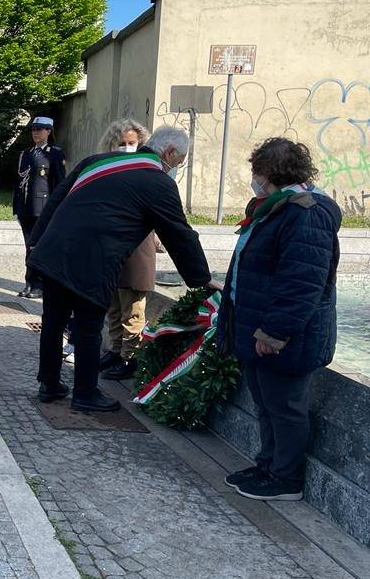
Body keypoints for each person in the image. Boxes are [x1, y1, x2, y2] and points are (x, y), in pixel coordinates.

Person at [28, 125, 214, 413]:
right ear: (169, 152)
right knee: (89, 327)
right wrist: (201, 279)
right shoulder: (158, 182)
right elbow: (179, 234)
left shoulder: (97, 161)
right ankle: (85, 393)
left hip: (54, 251)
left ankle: (49, 385)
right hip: (94, 260)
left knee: (53, 322)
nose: (178, 166)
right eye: (180, 160)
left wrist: (35, 246)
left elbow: (55, 201)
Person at [219, 138, 341, 502]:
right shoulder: (275, 207)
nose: (253, 177)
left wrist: (274, 332)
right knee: (266, 402)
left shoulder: (305, 213)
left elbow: (301, 281)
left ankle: (286, 478)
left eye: (256, 170)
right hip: (258, 327)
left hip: (285, 336)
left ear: (271, 172)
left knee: (286, 407)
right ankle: (267, 465)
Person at [92, 119, 157, 382]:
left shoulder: (145, 171)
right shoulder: (106, 167)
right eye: (122, 144)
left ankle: (130, 357)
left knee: (133, 310)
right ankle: (116, 350)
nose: (128, 148)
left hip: (137, 249)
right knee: (115, 307)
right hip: (112, 249)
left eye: (132, 143)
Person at [13, 116, 65, 298]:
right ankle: (29, 282)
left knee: (39, 247)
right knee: (29, 246)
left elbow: (59, 184)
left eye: (40, 129)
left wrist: (55, 210)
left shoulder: (55, 153)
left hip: (43, 209)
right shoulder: (26, 154)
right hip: (26, 208)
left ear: (49, 131)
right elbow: (19, 183)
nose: (36, 132)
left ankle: (40, 284)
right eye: (34, 129)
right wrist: (16, 208)